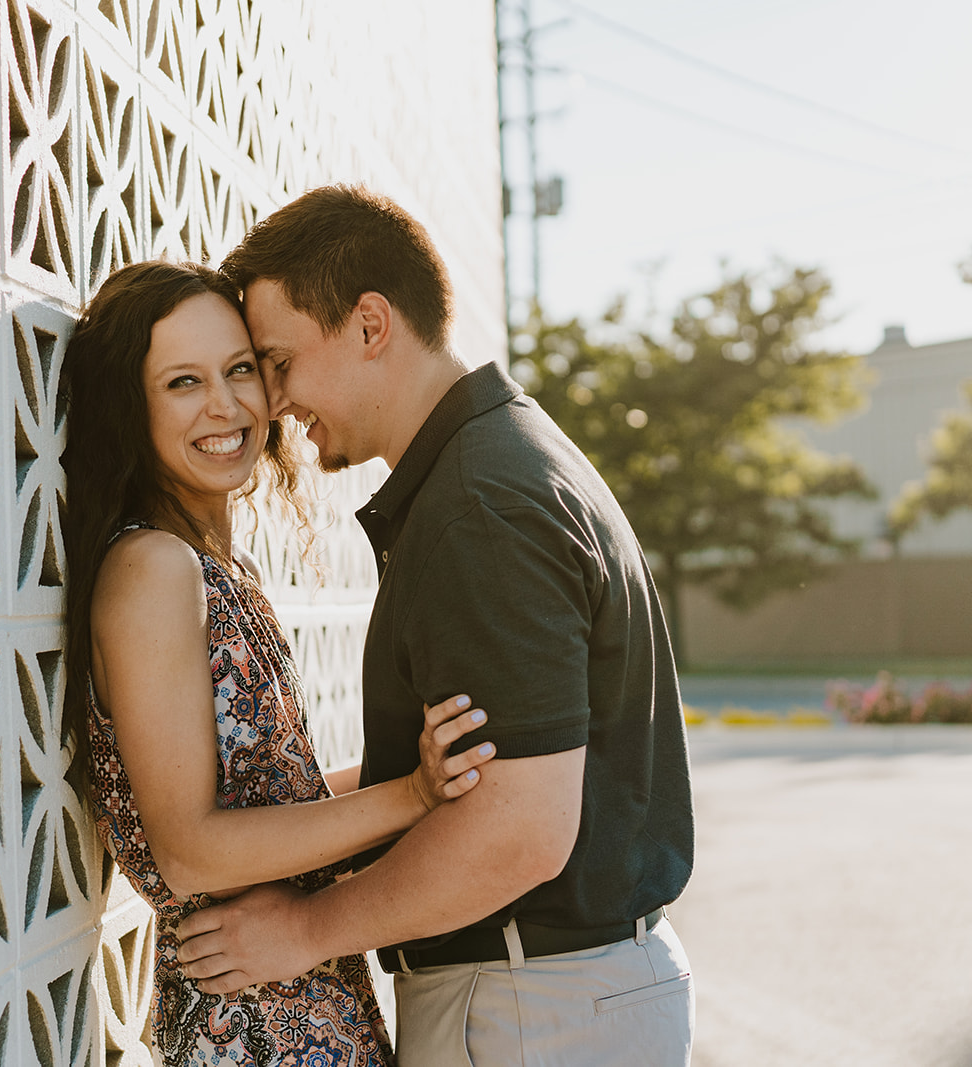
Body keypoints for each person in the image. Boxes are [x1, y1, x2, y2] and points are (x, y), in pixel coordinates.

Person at [174, 186, 696, 1065]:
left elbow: (517, 829)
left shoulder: (479, 506)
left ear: (371, 325)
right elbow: (471, 777)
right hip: (561, 1000)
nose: (272, 399)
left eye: (277, 359)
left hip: (533, 1007)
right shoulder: (498, 462)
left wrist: (304, 929)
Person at [58, 260, 499, 1067]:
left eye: (240, 370)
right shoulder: (152, 569)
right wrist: (409, 795)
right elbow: (190, 849)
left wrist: (413, 774)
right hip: (252, 1024)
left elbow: (274, 805)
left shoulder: (214, 564)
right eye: (183, 382)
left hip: (302, 1002)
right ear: (132, 409)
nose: (225, 406)